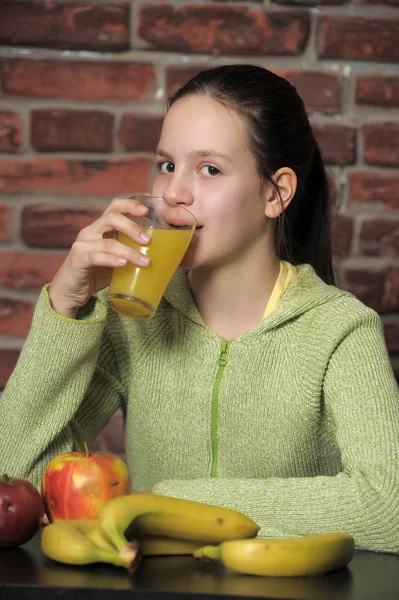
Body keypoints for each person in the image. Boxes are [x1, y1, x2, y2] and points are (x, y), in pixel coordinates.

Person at [0, 65, 398, 555]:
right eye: (167, 165)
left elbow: (389, 505)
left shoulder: (341, 329)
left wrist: (166, 502)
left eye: (209, 169)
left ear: (277, 193)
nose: (172, 194)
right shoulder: (131, 320)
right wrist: (65, 310)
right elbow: (16, 482)